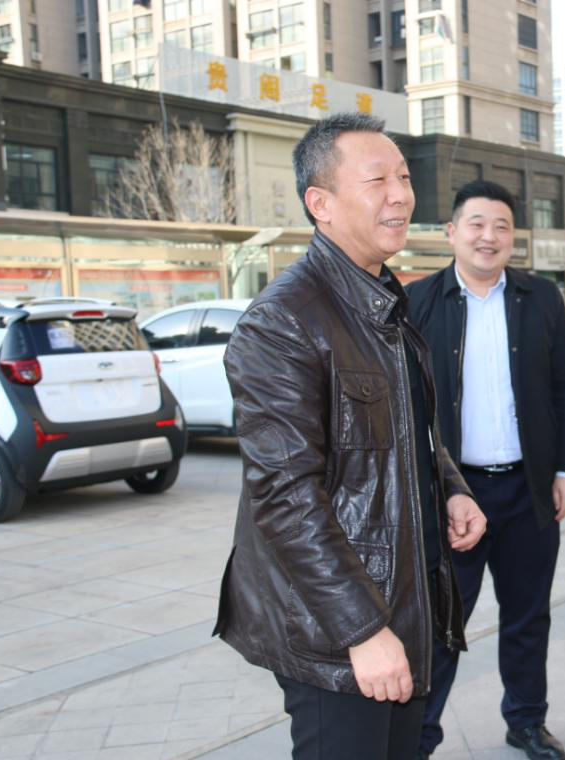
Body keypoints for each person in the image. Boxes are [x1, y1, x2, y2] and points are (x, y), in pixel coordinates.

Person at [212, 112, 487, 760]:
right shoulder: (283, 322)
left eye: (404, 178)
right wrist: (361, 630)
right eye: (377, 181)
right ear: (321, 203)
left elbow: (409, 429)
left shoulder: (381, 300)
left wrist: (450, 486)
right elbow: (285, 497)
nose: (400, 195)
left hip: (404, 604)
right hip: (337, 629)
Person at [406, 180, 565, 760]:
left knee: (528, 617)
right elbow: (403, 403)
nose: (489, 236)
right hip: (453, 494)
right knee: (442, 621)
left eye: (502, 227)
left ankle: (527, 722)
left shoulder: (541, 299)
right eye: (477, 224)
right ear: (452, 232)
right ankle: (418, 737)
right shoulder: (418, 302)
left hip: (528, 489)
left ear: (513, 238)